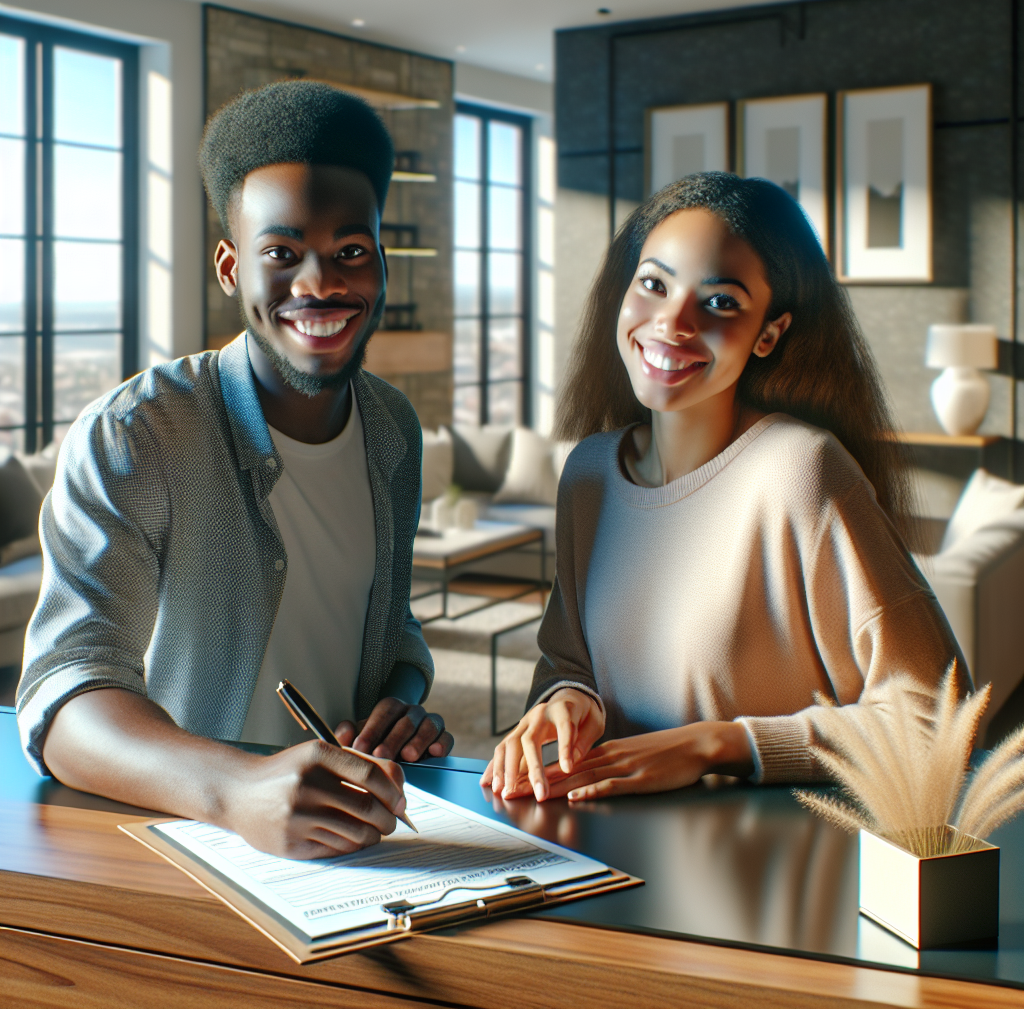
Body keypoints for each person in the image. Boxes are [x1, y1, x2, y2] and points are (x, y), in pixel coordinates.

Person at [17, 80, 453, 860]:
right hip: (185, 842)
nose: (320, 283)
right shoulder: (137, 435)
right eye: (281, 254)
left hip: (358, 845)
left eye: (351, 251)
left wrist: (402, 699)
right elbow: (64, 695)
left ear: (384, 261)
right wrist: (238, 791)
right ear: (229, 267)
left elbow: (389, 625)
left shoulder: (393, 430)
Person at [483, 172, 968, 804]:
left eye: (719, 303)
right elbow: (569, 661)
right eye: (653, 285)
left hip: (765, 865)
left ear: (769, 332)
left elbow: (938, 716)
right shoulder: (590, 472)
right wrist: (565, 701)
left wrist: (716, 745)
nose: (672, 323)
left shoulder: (802, 470)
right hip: (608, 850)